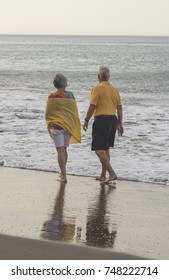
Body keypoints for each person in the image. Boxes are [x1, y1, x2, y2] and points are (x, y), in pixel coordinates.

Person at [83, 66, 123, 183]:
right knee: (105, 149)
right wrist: (120, 123)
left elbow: (92, 106)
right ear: (108, 77)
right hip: (113, 120)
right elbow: (119, 108)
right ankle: (102, 175)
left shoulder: (97, 88)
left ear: (99, 77)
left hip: (102, 120)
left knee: (99, 150)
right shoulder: (114, 89)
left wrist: (86, 120)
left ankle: (111, 173)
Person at [45, 74, 81, 182]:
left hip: (57, 126)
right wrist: (74, 123)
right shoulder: (70, 95)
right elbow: (73, 111)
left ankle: (63, 175)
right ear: (65, 83)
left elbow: (49, 111)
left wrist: (50, 121)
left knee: (60, 150)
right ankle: (62, 172)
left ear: (55, 84)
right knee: (64, 149)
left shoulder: (52, 96)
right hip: (68, 126)